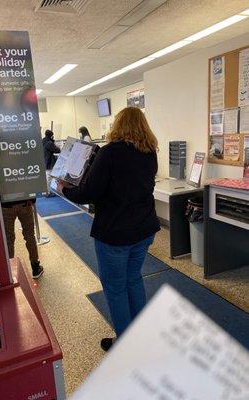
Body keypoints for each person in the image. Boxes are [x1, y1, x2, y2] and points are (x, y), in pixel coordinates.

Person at [57, 107, 160, 351]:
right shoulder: (149, 153)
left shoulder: (110, 153)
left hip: (115, 234)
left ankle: (125, 343)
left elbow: (90, 192)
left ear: (118, 125)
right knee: (133, 279)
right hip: (144, 229)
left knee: (115, 288)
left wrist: (65, 190)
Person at [1, 199, 44, 279]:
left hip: (6, 206)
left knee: (8, 240)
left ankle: (10, 270)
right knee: (30, 236)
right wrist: (32, 199)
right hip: (25, 203)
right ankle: (35, 267)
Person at [42, 129, 61, 195]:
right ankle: (48, 192)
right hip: (49, 162)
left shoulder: (43, 141)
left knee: (48, 177)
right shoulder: (49, 143)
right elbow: (57, 150)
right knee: (49, 178)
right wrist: (54, 142)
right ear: (51, 136)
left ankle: (47, 191)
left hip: (45, 161)